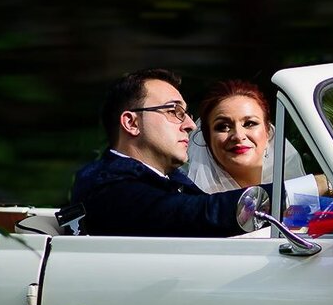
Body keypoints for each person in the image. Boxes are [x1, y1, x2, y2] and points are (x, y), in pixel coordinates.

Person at [67, 68, 252, 236]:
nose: (190, 125)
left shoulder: (166, 181)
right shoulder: (108, 189)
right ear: (132, 123)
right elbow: (198, 215)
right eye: (174, 111)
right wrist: (279, 195)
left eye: (186, 113)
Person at [186, 78, 333, 201]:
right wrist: (320, 184)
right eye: (223, 126)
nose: (238, 135)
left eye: (250, 123)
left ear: (268, 132)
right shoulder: (200, 204)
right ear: (207, 138)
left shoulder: (306, 196)